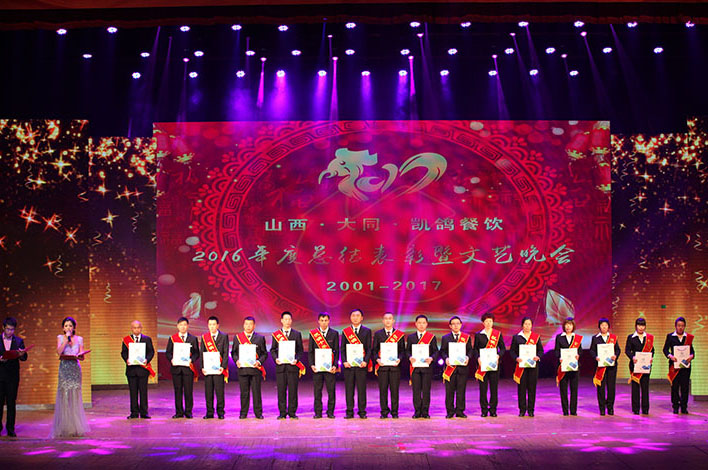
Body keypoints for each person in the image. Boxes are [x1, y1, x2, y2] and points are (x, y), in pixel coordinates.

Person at [51, 317, 90, 438]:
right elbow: (59, 352)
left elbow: (82, 357)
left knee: (74, 395)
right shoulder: (60, 338)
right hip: (64, 369)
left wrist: (79, 355)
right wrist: (65, 341)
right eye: (66, 326)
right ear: (63, 328)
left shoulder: (79, 339)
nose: (68, 328)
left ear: (74, 328)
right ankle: (64, 426)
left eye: (70, 326)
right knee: (64, 395)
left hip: (74, 369)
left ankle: (75, 426)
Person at [270, 311, 305, 419]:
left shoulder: (297, 334)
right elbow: (273, 350)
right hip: (281, 367)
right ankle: (282, 412)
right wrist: (276, 358)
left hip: (292, 367)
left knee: (293, 390)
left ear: (291, 321)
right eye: (285, 319)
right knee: (281, 390)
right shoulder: (276, 335)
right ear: (281, 320)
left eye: (289, 319)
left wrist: (297, 359)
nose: (287, 321)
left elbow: (300, 350)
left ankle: (292, 412)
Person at [232, 316, 268, 419]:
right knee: (244, 392)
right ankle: (243, 413)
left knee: (256, 392)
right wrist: (236, 361)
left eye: (250, 324)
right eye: (246, 324)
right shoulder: (238, 338)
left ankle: (258, 413)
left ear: (254, 326)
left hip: (255, 369)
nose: (248, 326)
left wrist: (259, 362)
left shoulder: (260, 338)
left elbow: (264, 354)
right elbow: (234, 353)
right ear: (243, 325)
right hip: (243, 369)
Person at [371, 312, 405, 419]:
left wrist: (399, 359)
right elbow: (374, 350)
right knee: (383, 390)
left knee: (394, 390)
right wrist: (377, 359)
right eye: (386, 318)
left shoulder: (399, 335)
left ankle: (395, 412)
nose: (388, 320)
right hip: (382, 367)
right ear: (383, 321)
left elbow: (402, 351)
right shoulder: (378, 334)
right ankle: (384, 412)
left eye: (390, 318)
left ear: (393, 321)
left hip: (395, 367)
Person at [165, 316, 200, 419]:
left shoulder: (193, 339)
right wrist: (171, 359)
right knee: (178, 390)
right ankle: (179, 412)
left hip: (188, 368)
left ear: (188, 326)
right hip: (176, 368)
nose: (183, 327)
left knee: (188, 391)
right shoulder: (172, 338)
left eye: (185, 325)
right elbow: (168, 353)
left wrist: (191, 360)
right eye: (181, 325)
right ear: (177, 326)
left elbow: (196, 353)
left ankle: (188, 411)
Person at [341, 309, 372, 419]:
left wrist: (366, 361)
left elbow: (369, 348)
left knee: (361, 389)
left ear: (362, 318)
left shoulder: (367, 331)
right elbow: (342, 349)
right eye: (353, 315)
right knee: (349, 389)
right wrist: (344, 361)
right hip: (349, 366)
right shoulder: (346, 332)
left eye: (358, 315)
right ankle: (349, 411)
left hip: (361, 365)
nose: (355, 318)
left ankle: (362, 411)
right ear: (350, 318)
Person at [121, 320, 155, 419]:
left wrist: (147, 359)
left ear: (141, 328)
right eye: (134, 328)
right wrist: (126, 359)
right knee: (133, 392)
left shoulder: (147, 339)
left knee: (143, 391)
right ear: (132, 329)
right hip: (131, 370)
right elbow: (123, 352)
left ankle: (144, 412)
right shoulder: (126, 340)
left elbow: (151, 352)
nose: (136, 329)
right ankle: (134, 413)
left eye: (138, 327)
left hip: (143, 370)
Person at [474, 313, 505, 417]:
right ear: (483, 323)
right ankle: (484, 410)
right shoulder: (479, 335)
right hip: (482, 365)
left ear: (493, 322)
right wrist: (478, 358)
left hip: (494, 365)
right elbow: (475, 350)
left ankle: (493, 410)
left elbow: (503, 348)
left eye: (490, 321)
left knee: (493, 388)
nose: (488, 323)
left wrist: (498, 356)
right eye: (486, 321)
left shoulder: (497, 334)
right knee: (483, 389)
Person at [510, 317, 543, 417]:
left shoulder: (535, 337)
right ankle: (522, 410)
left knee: (532, 388)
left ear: (531, 326)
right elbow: (512, 351)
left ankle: (531, 410)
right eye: (525, 324)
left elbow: (540, 350)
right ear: (522, 325)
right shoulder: (517, 337)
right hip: (521, 367)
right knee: (522, 388)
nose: (527, 326)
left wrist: (538, 357)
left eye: (529, 324)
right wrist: (516, 358)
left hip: (533, 366)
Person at [0, 317, 28, 437]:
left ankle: (10, 428)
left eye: (12, 329)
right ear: (3, 328)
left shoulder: (18, 341)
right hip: (0, 375)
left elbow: (24, 358)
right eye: (8, 329)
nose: (10, 332)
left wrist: (22, 354)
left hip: (12, 376)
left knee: (11, 402)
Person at [308, 313, 339, 419]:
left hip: (330, 367)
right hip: (317, 367)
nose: (324, 322)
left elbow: (336, 351)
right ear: (318, 321)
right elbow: (310, 351)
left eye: (326, 320)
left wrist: (335, 365)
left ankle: (330, 412)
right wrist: (312, 364)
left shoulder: (334, 333)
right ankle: (318, 412)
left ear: (329, 321)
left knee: (331, 390)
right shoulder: (313, 334)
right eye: (322, 320)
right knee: (317, 391)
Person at [440, 316, 472, 419]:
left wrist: (468, 357)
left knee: (461, 390)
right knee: (449, 391)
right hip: (450, 368)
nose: (456, 325)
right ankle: (450, 411)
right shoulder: (445, 338)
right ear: (450, 326)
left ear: (461, 325)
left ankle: (460, 411)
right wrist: (446, 358)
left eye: (458, 323)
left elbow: (470, 350)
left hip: (462, 368)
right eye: (453, 324)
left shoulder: (466, 337)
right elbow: (443, 351)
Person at [406, 314, 437, 419]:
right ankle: (417, 411)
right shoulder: (411, 337)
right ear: (416, 324)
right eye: (419, 323)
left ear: (427, 324)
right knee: (416, 390)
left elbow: (436, 351)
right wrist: (410, 357)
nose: (421, 325)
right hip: (415, 368)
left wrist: (431, 358)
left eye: (423, 323)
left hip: (427, 368)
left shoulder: (431, 337)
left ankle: (425, 411)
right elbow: (407, 351)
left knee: (426, 390)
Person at [663, 316, 695, 414]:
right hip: (674, 366)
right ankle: (675, 406)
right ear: (675, 326)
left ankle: (684, 407)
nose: (680, 327)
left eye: (682, 326)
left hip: (685, 366)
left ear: (684, 326)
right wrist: (670, 356)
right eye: (679, 325)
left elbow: (692, 351)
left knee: (685, 387)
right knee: (675, 387)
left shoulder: (688, 337)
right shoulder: (670, 336)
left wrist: (691, 356)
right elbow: (665, 349)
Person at [201, 315, 229, 419]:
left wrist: (223, 366)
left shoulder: (224, 336)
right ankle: (209, 412)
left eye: (214, 324)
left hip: (219, 369)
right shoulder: (205, 337)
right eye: (210, 324)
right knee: (208, 392)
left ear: (218, 325)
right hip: (208, 369)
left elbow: (226, 353)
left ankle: (220, 412)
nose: (212, 326)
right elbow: (202, 353)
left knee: (219, 392)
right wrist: (202, 367)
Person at [590, 317, 620, 416]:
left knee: (611, 388)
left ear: (608, 327)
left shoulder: (613, 337)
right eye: (602, 325)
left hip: (611, 366)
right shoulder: (595, 338)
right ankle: (602, 408)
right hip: (600, 366)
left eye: (606, 325)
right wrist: (596, 357)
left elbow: (618, 350)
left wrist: (615, 355)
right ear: (599, 327)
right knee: (601, 388)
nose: (604, 327)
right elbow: (592, 350)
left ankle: (610, 408)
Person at [625, 317, 654, 415]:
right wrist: (632, 357)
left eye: (642, 325)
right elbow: (627, 350)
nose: (641, 327)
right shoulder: (631, 337)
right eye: (639, 325)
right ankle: (636, 408)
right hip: (635, 366)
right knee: (635, 388)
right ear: (636, 326)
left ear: (645, 326)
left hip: (646, 366)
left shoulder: (649, 338)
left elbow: (652, 350)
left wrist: (651, 358)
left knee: (645, 388)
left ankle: (645, 409)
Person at [554, 317, 582, 416]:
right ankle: (565, 411)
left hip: (574, 366)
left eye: (570, 325)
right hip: (563, 366)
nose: (568, 327)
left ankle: (573, 411)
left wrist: (578, 355)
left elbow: (580, 350)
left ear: (573, 326)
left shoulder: (577, 338)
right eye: (566, 324)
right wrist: (560, 357)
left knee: (574, 389)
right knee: (563, 389)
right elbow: (556, 351)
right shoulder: (559, 337)